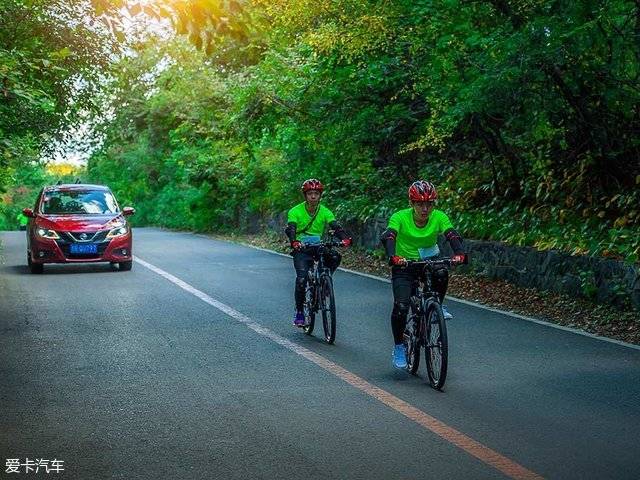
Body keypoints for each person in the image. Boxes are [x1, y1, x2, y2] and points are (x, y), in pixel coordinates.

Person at [380, 180, 466, 369]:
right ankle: (399, 346)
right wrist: (393, 256)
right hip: (405, 264)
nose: (425, 208)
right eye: (420, 204)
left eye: (429, 204)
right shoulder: (400, 217)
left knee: (442, 271)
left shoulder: (439, 217)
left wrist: (459, 253)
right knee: (402, 306)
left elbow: (451, 234)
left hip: (429, 261)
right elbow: (389, 235)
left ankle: (437, 306)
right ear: (412, 204)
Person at [284, 179, 352, 327]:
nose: (313, 196)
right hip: (302, 247)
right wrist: (294, 241)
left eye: (316, 193)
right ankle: (300, 311)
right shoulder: (295, 211)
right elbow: (291, 228)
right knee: (301, 280)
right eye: (310, 194)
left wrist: (345, 239)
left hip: (318, 246)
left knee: (335, 256)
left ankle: (324, 281)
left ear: (320, 195)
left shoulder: (325, 211)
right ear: (305, 195)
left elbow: (335, 226)